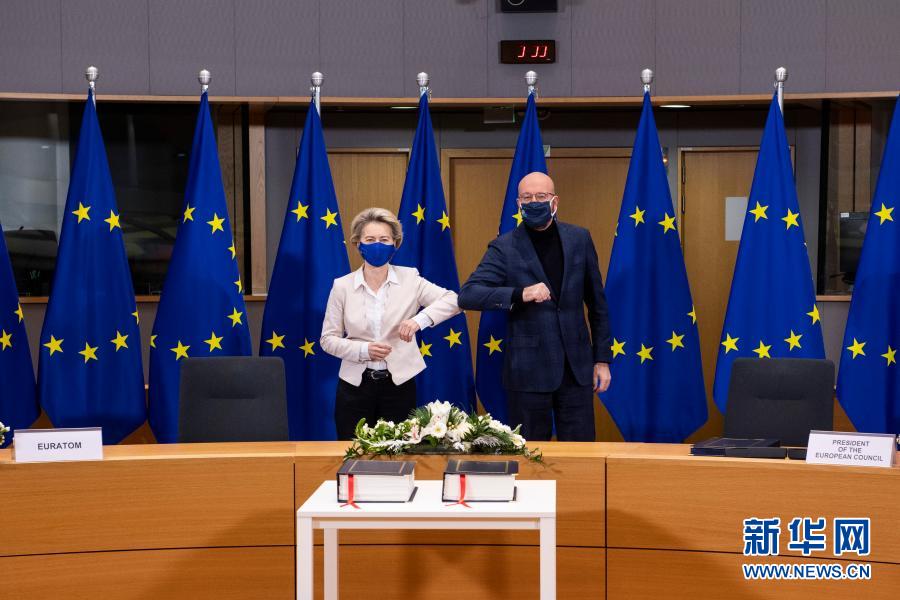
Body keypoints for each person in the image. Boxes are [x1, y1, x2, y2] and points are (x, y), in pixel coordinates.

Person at [458, 172, 613, 441]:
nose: (534, 202)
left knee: (581, 452)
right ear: (518, 204)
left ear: (555, 201)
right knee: (530, 454)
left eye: (541, 196)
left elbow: (597, 304)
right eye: (527, 197)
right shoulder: (504, 247)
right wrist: (521, 294)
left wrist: (602, 360)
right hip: (527, 372)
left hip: (576, 370)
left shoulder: (580, 239)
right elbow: (468, 295)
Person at [321, 207, 461, 439]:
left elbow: (454, 300)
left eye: (384, 239)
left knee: (399, 452)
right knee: (353, 449)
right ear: (358, 244)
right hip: (354, 387)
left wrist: (418, 321)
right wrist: (363, 350)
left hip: (400, 385)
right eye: (370, 239)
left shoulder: (410, 278)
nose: (378, 245)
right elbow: (328, 339)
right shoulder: (342, 286)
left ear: (395, 243)